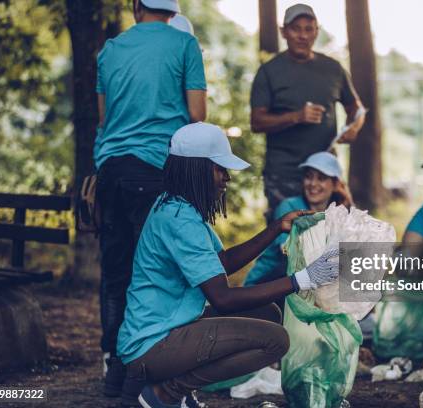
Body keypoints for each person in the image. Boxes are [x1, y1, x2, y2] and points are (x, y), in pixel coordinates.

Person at [116, 122, 339, 408]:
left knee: (268, 314)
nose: (227, 178)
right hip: (151, 345)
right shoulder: (179, 219)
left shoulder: (178, 207)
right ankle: (165, 393)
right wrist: (301, 280)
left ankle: (171, 388)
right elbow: (223, 297)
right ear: (196, 169)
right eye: (220, 169)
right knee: (276, 341)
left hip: (167, 330)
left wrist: (275, 229)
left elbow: (220, 263)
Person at [94, 0, 206, 398]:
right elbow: (196, 114)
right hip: (156, 170)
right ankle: (148, 372)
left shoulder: (110, 49)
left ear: (136, 6)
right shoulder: (183, 45)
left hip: (111, 172)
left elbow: (105, 119)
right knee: (160, 272)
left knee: (116, 272)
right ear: (172, 11)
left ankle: (115, 365)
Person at [250, 3, 365, 220]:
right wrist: (296, 117)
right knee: (288, 236)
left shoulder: (333, 68)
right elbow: (256, 122)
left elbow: (356, 108)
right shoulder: (269, 71)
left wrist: (354, 127)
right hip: (285, 173)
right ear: (284, 32)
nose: (303, 35)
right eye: (296, 29)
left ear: (316, 32)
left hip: (325, 171)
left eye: (308, 29)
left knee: (339, 229)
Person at [244, 151, 352, 287]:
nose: (313, 183)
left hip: (305, 282)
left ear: (335, 184)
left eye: (321, 178)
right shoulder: (289, 207)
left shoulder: (338, 214)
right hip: (267, 283)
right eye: (309, 177)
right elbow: (287, 251)